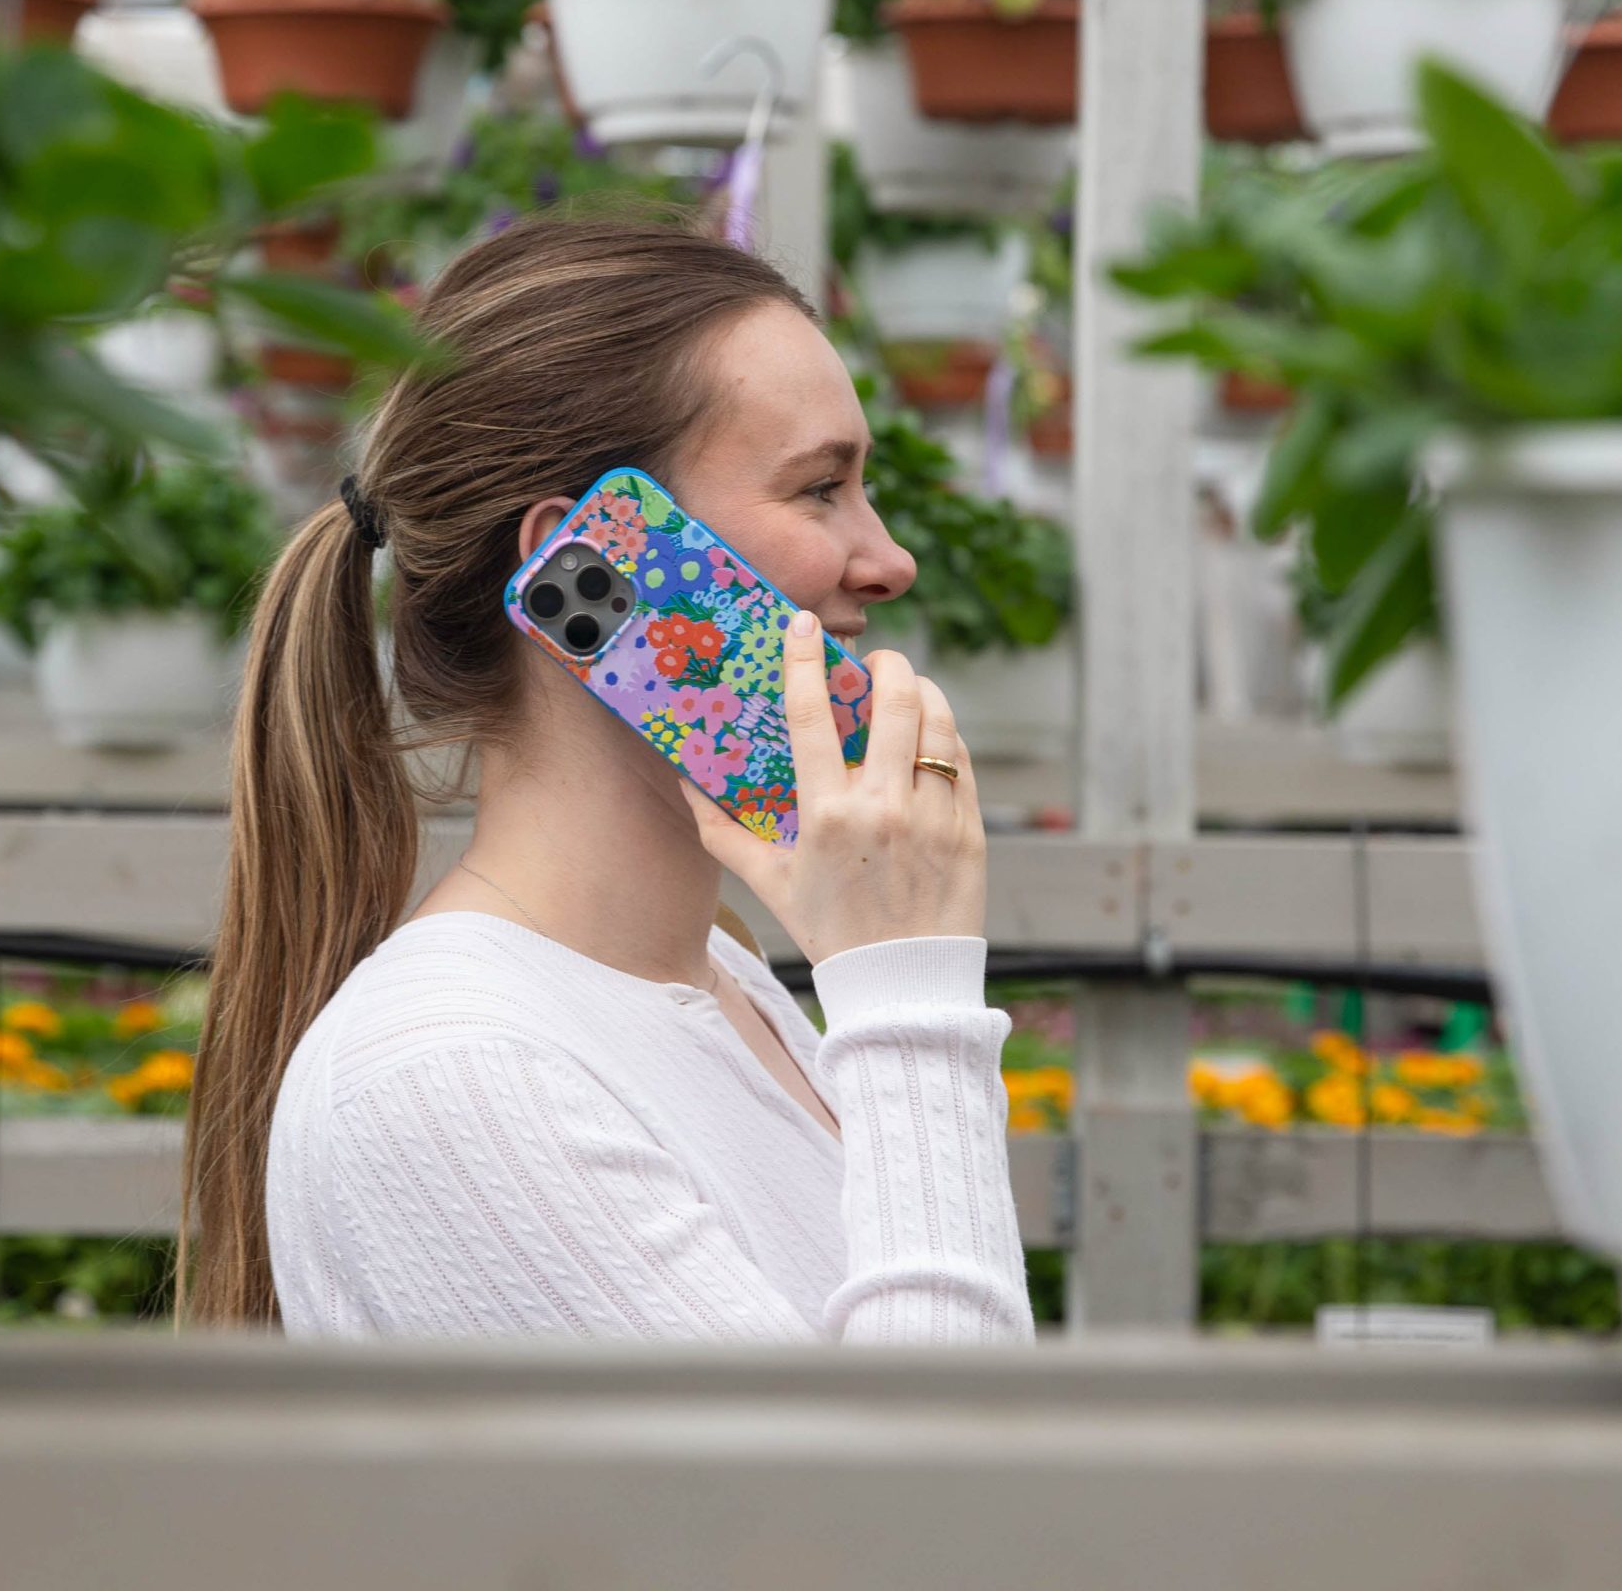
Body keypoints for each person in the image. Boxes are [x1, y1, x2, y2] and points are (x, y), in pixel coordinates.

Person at [180, 212, 1032, 1346]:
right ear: (591, 565)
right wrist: (905, 991)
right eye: (821, 489)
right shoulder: (450, 1076)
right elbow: (915, 1511)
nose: (886, 559)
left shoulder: (724, 983)